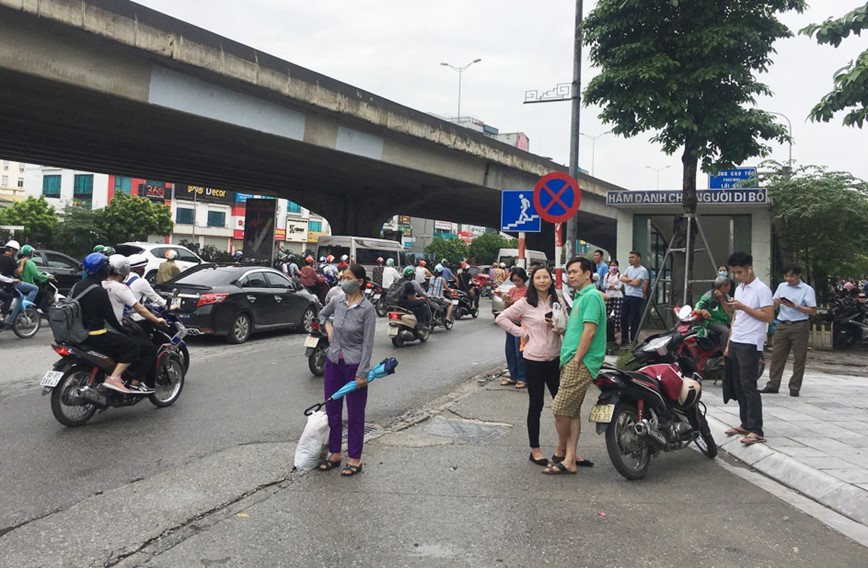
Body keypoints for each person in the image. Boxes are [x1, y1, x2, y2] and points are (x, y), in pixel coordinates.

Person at [496, 266, 565, 467]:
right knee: (537, 405)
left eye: (545, 277)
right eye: (538, 278)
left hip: (555, 359)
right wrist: (523, 334)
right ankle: (535, 450)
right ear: (533, 282)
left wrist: (558, 327)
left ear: (551, 280)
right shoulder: (525, 303)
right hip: (533, 360)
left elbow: (566, 325)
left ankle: (565, 449)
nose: (542, 280)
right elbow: (502, 318)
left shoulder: (557, 301)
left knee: (561, 406)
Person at [543, 257, 606, 475]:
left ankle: (561, 451)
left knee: (559, 409)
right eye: (568, 272)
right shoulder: (580, 298)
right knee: (572, 413)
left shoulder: (591, 297)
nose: (570, 276)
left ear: (587, 273)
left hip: (579, 361)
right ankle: (571, 458)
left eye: (574, 272)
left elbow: (590, 331)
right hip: (571, 358)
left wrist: (577, 359)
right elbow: (580, 329)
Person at [316, 264, 377, 477]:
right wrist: (329, 328)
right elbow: (322, 315)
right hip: (334, 361)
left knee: (355, 414)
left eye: (348, 277)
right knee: (332, 409)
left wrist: (363, 372)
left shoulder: (367, 309)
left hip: (354, 365)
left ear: (359, 282)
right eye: (342, 277)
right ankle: (335, 453)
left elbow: (368, 344)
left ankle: (355, 458)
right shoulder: (338, 301)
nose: (343, 281)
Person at [71, 253, 156, 394]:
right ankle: (115, 378)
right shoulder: (99, 291)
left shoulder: (78, 286)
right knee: (133, 346)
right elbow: (111, 318)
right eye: (106, 267)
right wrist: (125, 332)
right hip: (96, 335)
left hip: (78, 334)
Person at [724, 252, 774, 445]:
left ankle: (756, 429)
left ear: (749, 269)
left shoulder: (762, 289)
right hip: (737, 339)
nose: (736, 276)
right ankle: (745, 423)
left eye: (739, 272)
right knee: (737, 385)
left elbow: (768, 316)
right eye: (734, 273)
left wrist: (744, 307)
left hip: (751, 342)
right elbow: (735, 318)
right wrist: (729, 343)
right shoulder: (740, 289)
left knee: (748, 385)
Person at [103, 255, 167, 392]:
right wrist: (157, 320)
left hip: (97, 329)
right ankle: (135, 382)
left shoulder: (99, 285)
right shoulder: (121, 287)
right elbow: (140, 308)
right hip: (116, 329)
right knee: (148, 349)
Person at [762, 265, 817, 396]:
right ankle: (773, 384)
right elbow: (774, 305)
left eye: (791, 276)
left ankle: (794, 387)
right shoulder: (782, 286)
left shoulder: (807, 290)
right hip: (782, 324)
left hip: (799, 325)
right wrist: (775, 303)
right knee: (777, 356)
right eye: (786, 276)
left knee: (799, 357)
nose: (788, 279)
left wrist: (796, 306)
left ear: (798, 275)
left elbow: (813, 311)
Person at [500, 267, 529, 388]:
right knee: (510, 351)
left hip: (521, 324)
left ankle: (522, 378)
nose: (517, 283)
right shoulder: (512, 290)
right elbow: (506, 309)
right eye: (515, 280)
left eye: (519, 280)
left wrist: (513, 303)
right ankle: (513, 375)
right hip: (510, 324)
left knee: (519, 352)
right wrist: (507, 301)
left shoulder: (528, 292)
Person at [125, 254, 168, 332]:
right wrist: (169, 306)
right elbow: (157, 299)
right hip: (135, 319)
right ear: (139, 270)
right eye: (144, 267)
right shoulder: (141, 282)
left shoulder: (121, 279)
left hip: (121, 318)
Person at [1, 240, 38, 330]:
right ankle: (13, 317)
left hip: (3, 284)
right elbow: (18, 272)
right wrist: (22, 263)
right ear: (13, 251)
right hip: (10, 284)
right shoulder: (12, 260)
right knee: (34, 289)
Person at [694, 276, 734, 350]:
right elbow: (696, 309)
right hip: (712, 321)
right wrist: (702, 311)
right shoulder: (708, 296)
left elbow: (729, 314)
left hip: (725, 320)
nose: (730, 287)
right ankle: (724, 353)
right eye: (729, 286)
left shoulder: (727, 296)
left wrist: (721, 299)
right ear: (723, 287)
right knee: (726, 331)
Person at [619, 251, 649, 345]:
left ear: (638, 258)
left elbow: (637, 283)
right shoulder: (629, 268)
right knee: (623, 317)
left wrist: (628, 281)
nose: (630, 259)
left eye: (633, 257)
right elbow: (622, 278)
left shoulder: (642, 270)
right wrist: (631, 280)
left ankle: (634, 339)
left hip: (636, 296)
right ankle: (624, 340)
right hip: (627, 295)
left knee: (634, 318)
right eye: (629, 257)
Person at [15, 244, 55, 312]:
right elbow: (37, 275)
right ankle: (43, 309)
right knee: (46, 294)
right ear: (30, 253)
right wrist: (48, 277)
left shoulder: (18, 261)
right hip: (29, 284)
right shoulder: (30, 263)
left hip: (20, 284)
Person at [601, 260, 623, 341]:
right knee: (606, 312)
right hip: (608, 296)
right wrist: (613, 285)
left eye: (615, 265)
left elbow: (619, 286)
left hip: (618, 296)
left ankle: (616, 331)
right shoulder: (607, 275)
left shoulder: (620, 275)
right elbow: (604, 285)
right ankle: (606, 331)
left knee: (618, 314)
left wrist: (610, 286)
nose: (613, 267)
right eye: (611, 265)